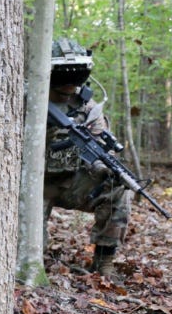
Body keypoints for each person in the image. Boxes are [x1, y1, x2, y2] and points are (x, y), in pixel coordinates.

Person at [43, 38, 133, 277]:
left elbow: (99, 147)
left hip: (70, 183)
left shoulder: (87, 108)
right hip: (32, 186)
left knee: (117, 187)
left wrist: (103, 167)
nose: (69, 84)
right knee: (31, 249)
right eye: (63, 76)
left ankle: (104, 262)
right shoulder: (27, 98)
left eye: (76, 75)